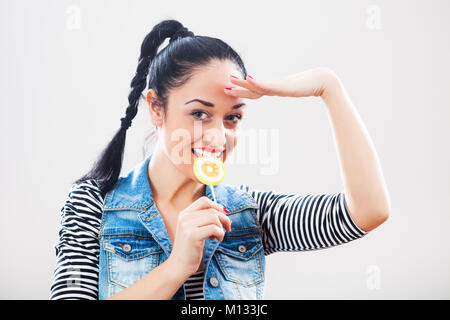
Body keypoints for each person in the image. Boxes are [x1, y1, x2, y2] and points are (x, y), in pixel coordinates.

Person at [50, 19, 390, 300]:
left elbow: (368, 212)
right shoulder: (92, 205)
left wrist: (329, 88)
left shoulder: (249, 214)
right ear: (156, 107)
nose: (217, 136)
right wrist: (177, 267)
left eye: (233, 118)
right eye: (199, 113)